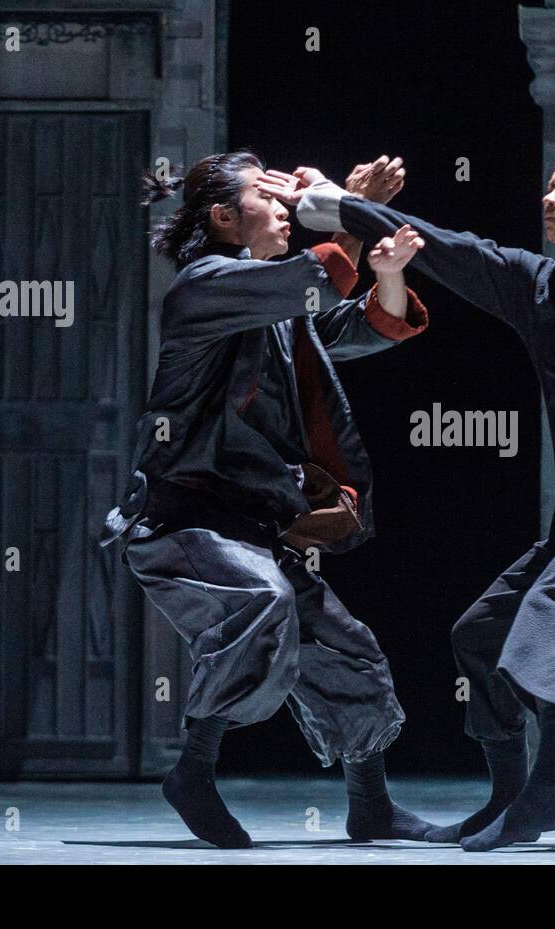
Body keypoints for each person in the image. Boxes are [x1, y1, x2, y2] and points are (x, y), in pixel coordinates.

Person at [259, 134, 555, 851]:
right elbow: (442, 245)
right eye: (548, 185)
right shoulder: (536, 284)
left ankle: (551, 794)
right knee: (481, 635)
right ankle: (514, 792)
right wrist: (333, 203)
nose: (549, 197)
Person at [98, 150, 434, 848]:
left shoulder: (279, 306)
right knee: (262, 603)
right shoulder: (205, 286)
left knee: (350, 648)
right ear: (224, 217)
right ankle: (193, 767)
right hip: (180, 517)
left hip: (249, 524)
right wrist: (343, 206)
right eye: (266, 195)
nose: (284, 206)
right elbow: (321, 280)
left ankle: (370, 803)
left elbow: (358, 323)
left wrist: (388, 270)